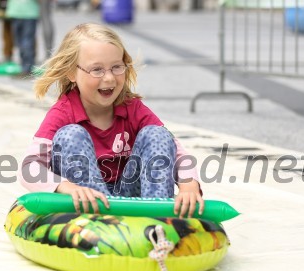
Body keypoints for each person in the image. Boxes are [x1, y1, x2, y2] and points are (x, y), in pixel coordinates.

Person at [18, 23, 204, 217]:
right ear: (71, 73)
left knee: (158, 134)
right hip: (89, 202)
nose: (109, 78)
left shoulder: (132, 108)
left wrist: (189, 184)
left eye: (116, 67)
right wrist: (64, 186)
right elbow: (29, 168)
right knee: (70, 135)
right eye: (97, 70)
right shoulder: (63, 113)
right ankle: (101, 221)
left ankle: (158, 217)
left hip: (130, 197)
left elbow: (176, 152)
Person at [6, 0, 40, 75]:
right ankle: (26, 67)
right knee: (23, 42)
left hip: (24, 12)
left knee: (24, 42)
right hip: (22, 12)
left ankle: (26, 68)